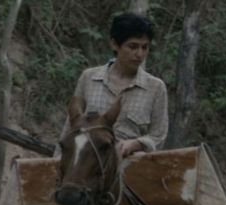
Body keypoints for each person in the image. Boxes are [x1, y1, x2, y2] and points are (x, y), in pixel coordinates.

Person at [58, 12, 168, 156]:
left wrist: (136, 143)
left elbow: (158, 136)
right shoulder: (89, 78)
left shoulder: (156, 88)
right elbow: (71, 127)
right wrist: (56, 164)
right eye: (133, 46)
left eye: (144, 47)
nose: (139, 54)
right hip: (90, 165)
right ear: (115, 44)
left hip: (132, 166)